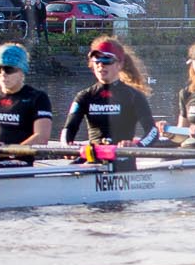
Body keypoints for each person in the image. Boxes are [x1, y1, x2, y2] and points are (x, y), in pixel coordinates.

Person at [62, 36, 159, 168]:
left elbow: (153, 132)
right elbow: (68, 129)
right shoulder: (84, 96)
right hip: (94, 162)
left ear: (119, 64)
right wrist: (67, 146)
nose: (101, 64)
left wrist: (137, 145)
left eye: (107, 60)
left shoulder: (134, 96)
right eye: (97, 60)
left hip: (123, 162)